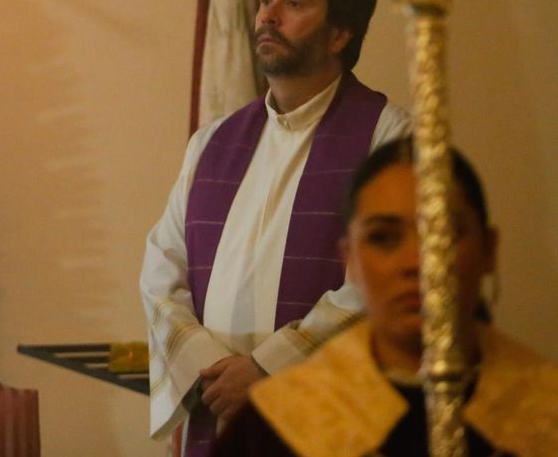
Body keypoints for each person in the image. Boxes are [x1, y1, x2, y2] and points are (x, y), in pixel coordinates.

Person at [142, 0, 414, 456]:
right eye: (265, 0)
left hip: (325, 415)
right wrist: (209, 368)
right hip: (216, 404)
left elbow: (385, 275)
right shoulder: (212, 143)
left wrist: (267, 369)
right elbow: (162, 268)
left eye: (294, 3)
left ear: (340, 33)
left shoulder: (387, 137)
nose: (268, 17)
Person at [213, 138, 558, 454]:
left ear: (488, 250)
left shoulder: (545, 408)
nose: (417, 262)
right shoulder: (276, 424)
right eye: (383, 238)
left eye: (443, 232)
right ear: (350, 260)